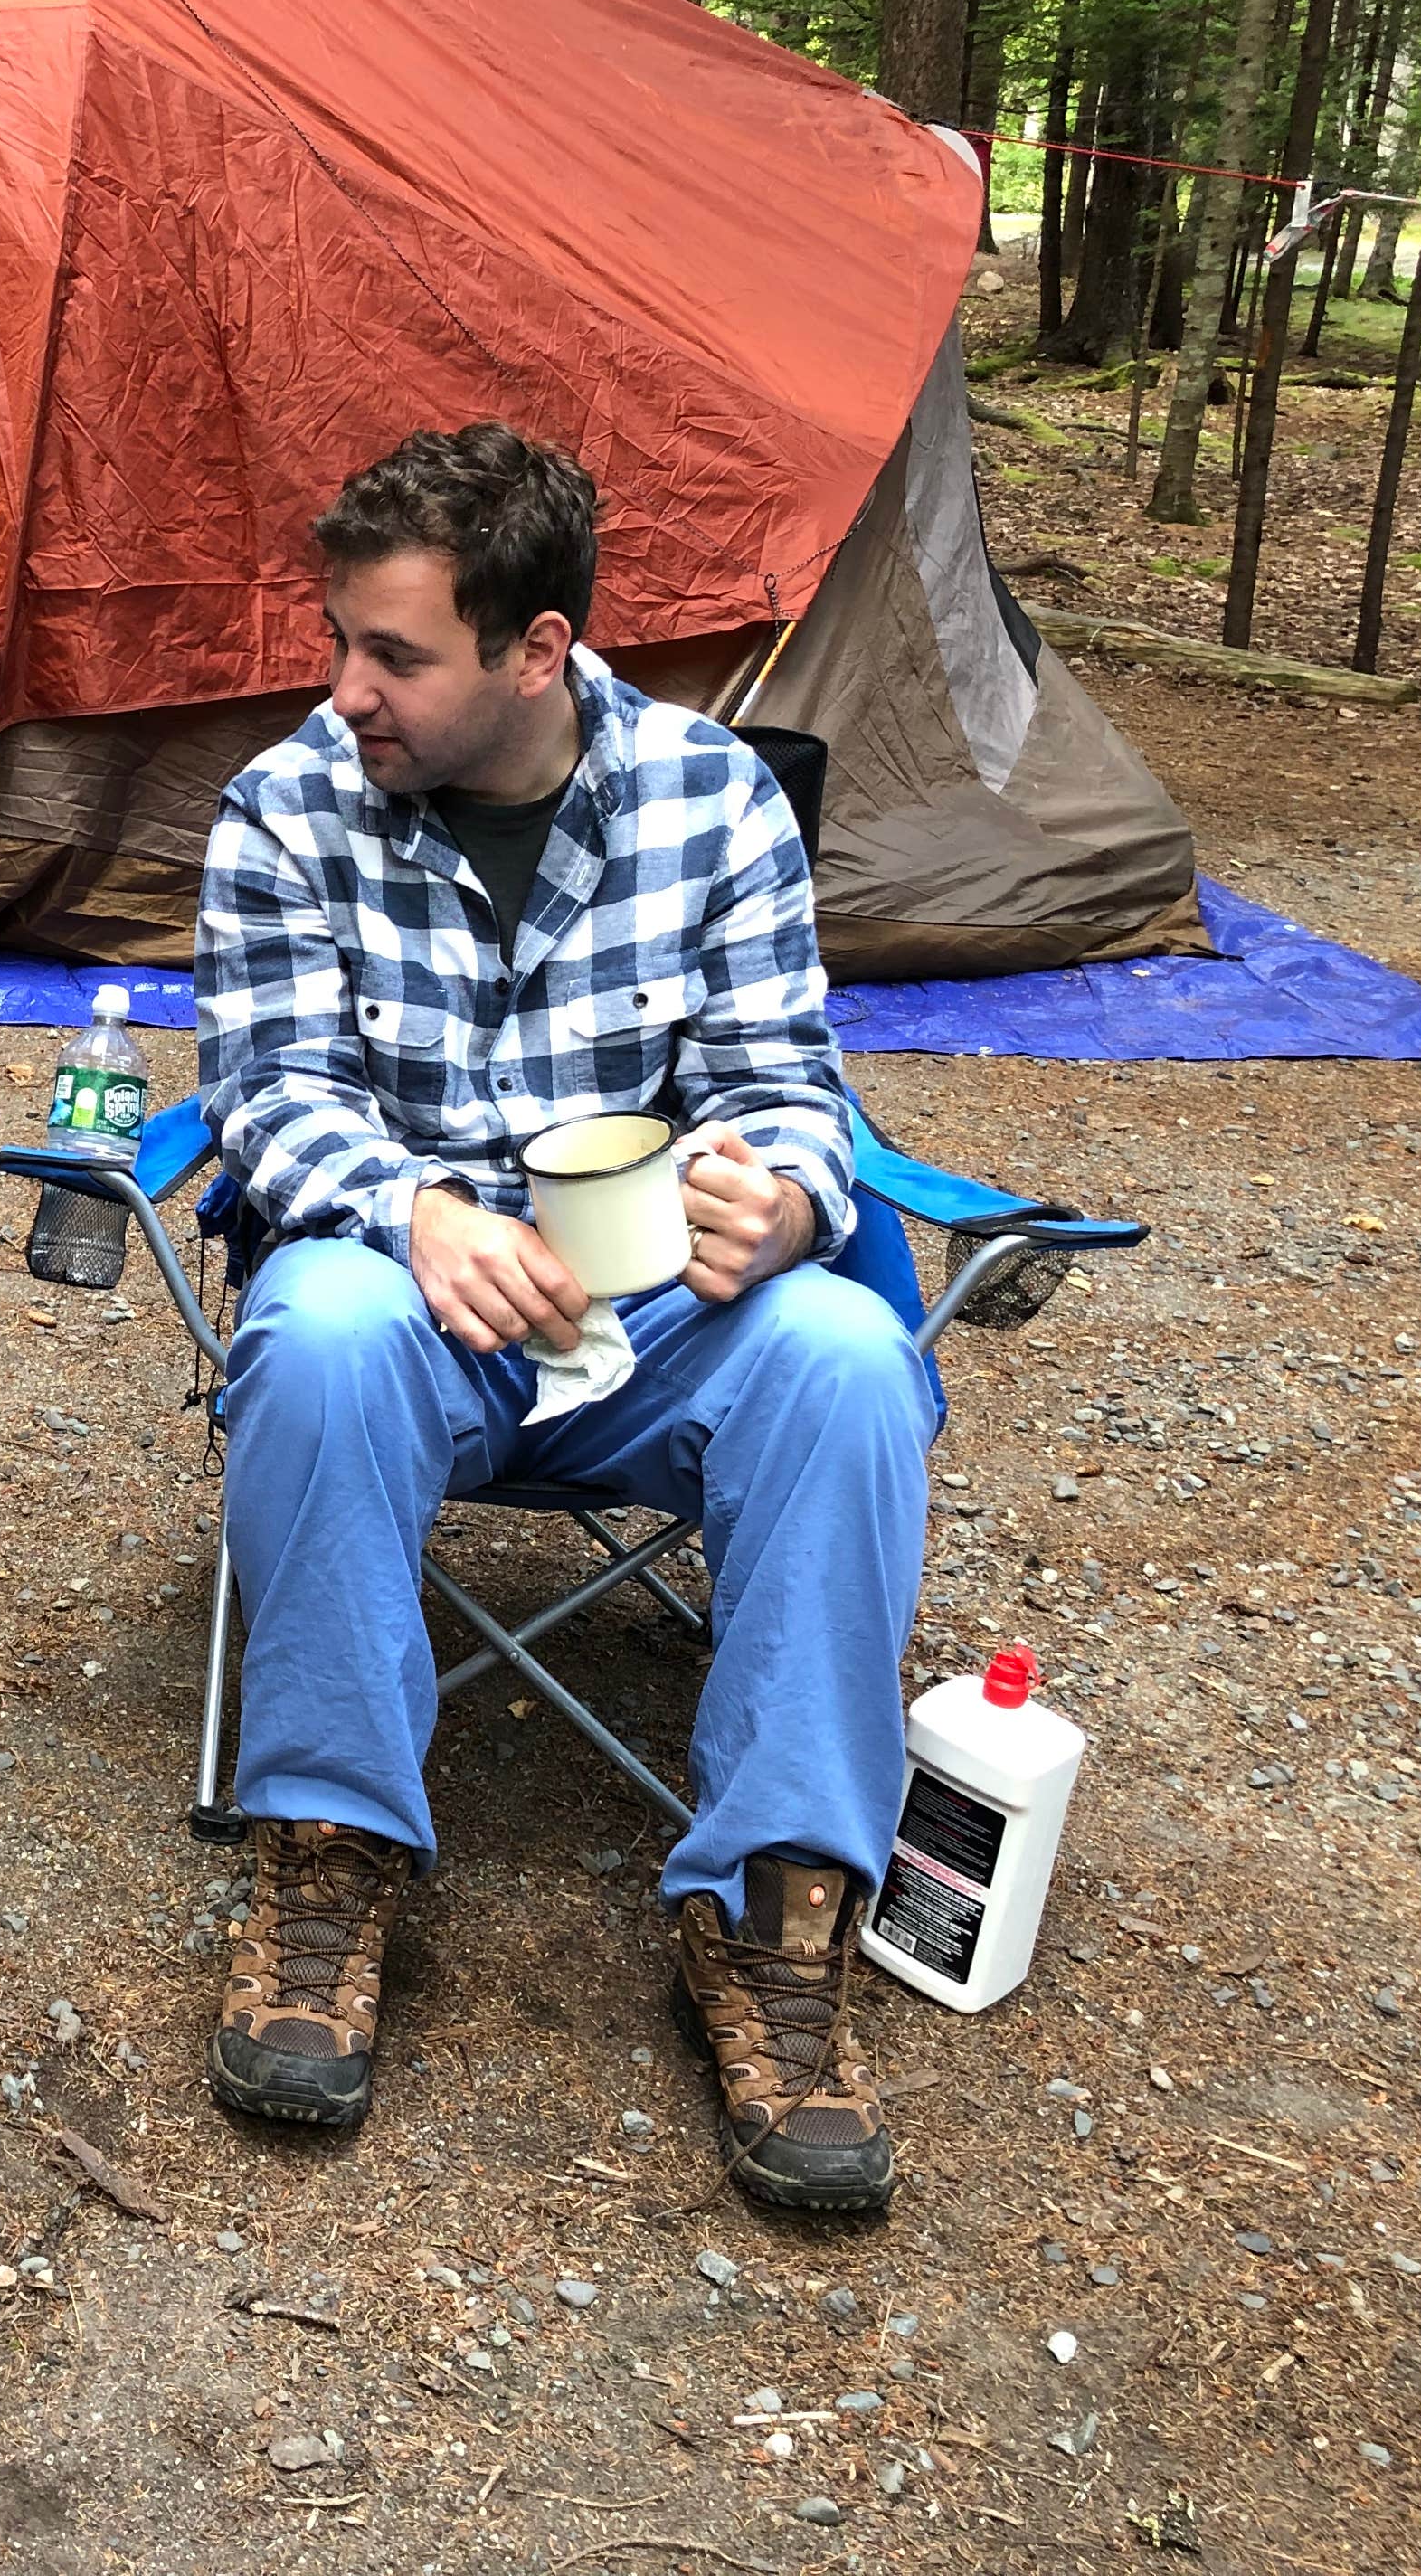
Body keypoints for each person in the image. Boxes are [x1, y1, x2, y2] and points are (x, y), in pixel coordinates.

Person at [192, 424, 933, 2211]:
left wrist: (785, 1197)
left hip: (654, 1321)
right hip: (418, 1306)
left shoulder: (710, 797)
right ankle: (329, 1854)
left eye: (394, 655)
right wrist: (412, 1210)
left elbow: (787, 1084)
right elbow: (268, 1090)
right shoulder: (286, 807)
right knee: (318, 1326)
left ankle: (773, 1916)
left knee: (846, 1358)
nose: (345, 689)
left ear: (537, 650)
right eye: (342, 640)